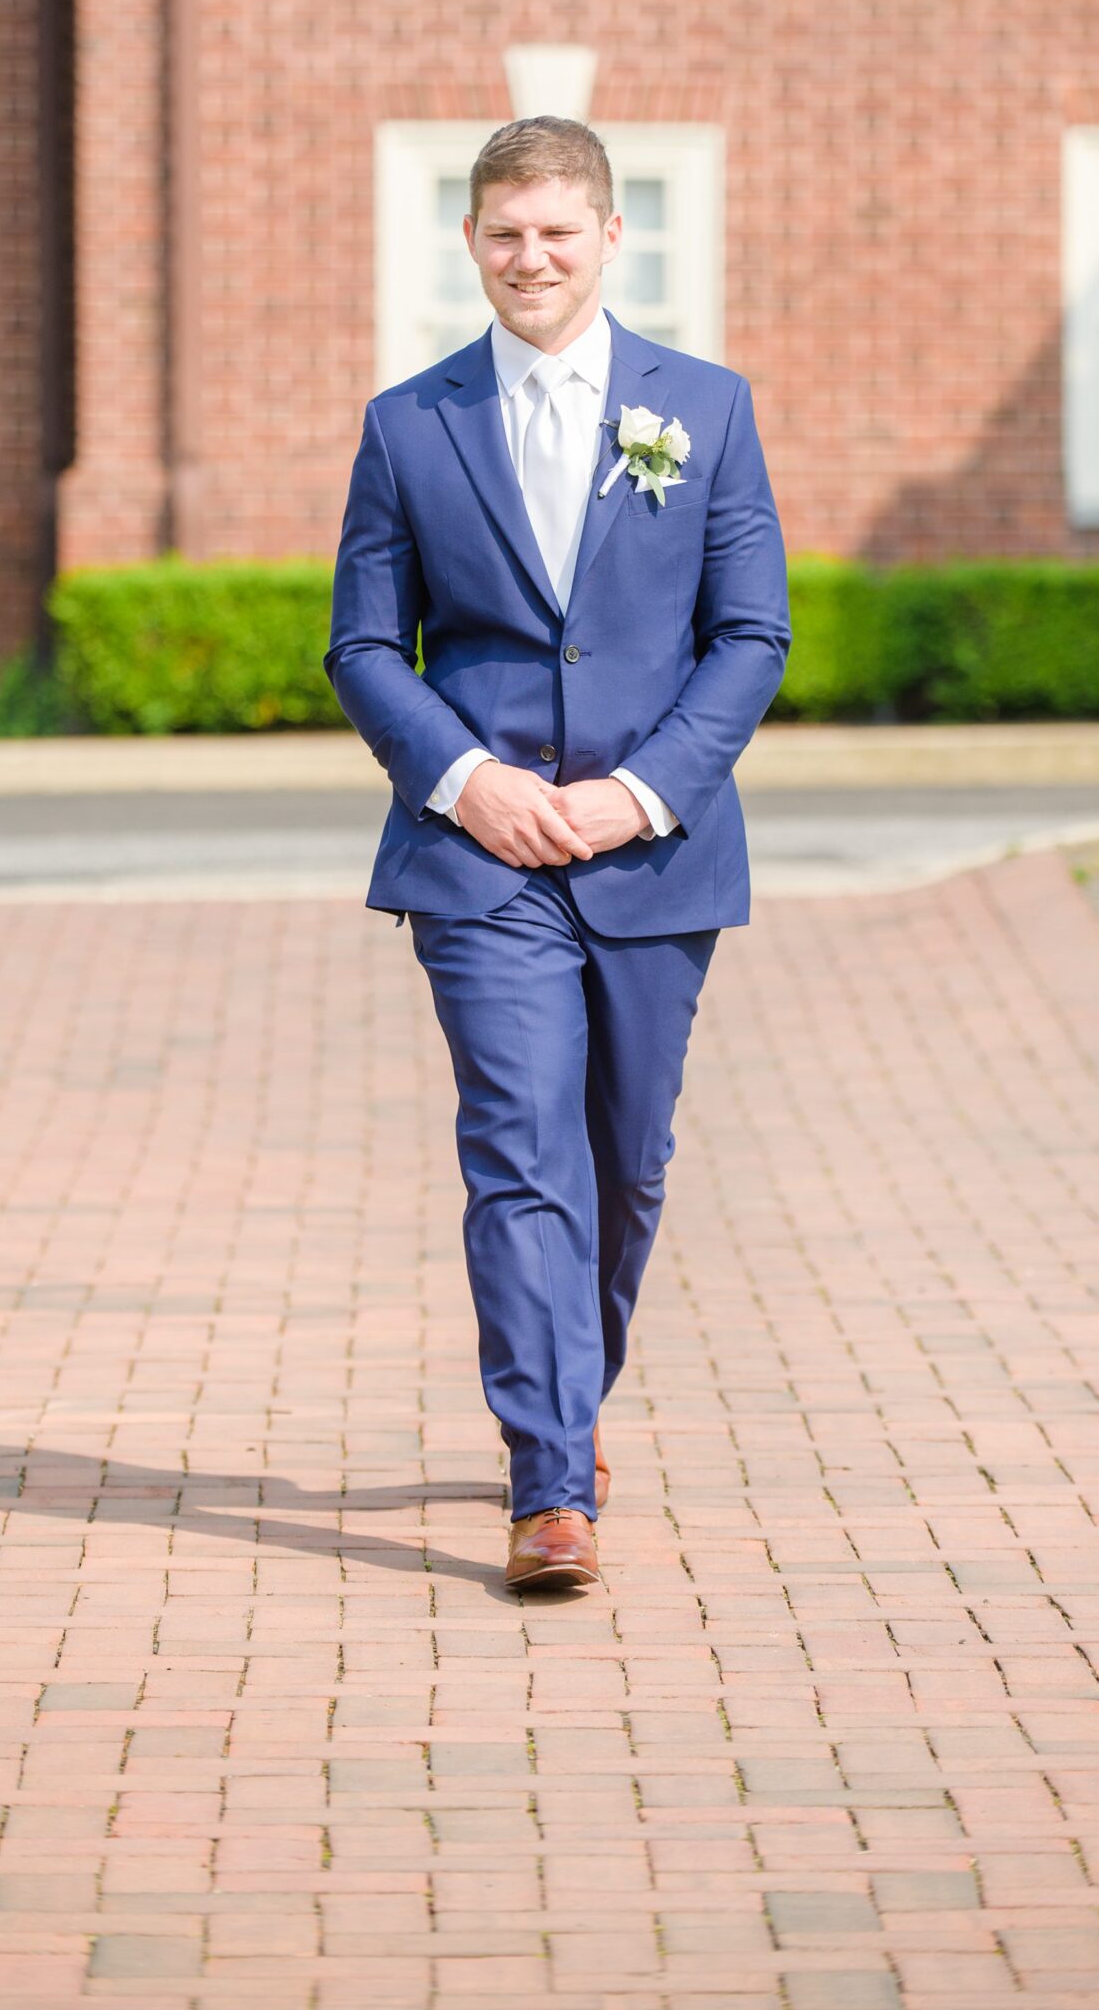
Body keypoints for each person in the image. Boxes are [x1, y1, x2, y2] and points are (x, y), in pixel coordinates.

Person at [326, 116, 791, 1594]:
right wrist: (466, 782)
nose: (530, 257)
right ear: (469, 244)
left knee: (625, 1161)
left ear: (605, 239)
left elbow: (749, 637)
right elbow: (360, 647)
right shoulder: (409, 425)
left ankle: (569, 1388)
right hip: (479, 865)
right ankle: (546, 1481)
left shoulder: (703, 411)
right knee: (518, 1151)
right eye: (503, 233)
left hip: (652, 858)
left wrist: (640, 793)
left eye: (556, 232)